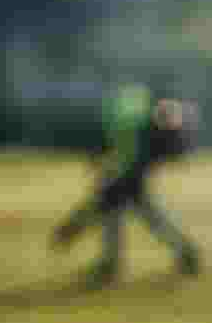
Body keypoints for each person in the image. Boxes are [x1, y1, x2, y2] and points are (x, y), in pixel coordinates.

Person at [52, 83, 201, 283]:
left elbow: (111, 188)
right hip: (124, 168)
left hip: (126, 171)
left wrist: (74, 225)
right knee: (138, 213)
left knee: (125, 211)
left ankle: (112, 263)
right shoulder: (138, 130)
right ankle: (184, 253)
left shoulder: (141, 133)